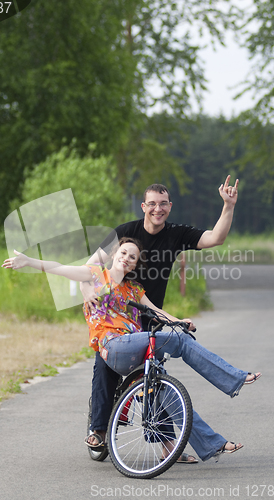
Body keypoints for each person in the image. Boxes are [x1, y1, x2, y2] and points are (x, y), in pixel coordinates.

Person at [2, 237, 261, 462]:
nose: (127, 258)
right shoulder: (94, 276)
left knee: (166, 392)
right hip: (113, 347)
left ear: (136, 264)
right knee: (180, 342)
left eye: (133, 257)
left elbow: (157, 312)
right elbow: (59, 268)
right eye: (123, 253)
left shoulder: (134, 289)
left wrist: (179, 321)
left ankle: (212, 443)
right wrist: (29, 261)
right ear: (114, 255)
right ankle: (234, 377)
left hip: (134, 350)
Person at [81, 175, 250, 462]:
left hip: (149, 318)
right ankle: (98, 430)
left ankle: (167, 446)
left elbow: (215, 238)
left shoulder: (176, 234)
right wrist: (87, 293)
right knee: (104, 366)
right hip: (115, 318)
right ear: (143, 207)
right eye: (151, 204)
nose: (157, 209)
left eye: (162, 204)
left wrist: (229, 206)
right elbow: (90, 266)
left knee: (156, 383)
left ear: (169, 207)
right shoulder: (125, 232)